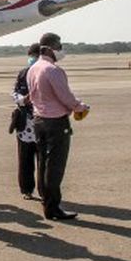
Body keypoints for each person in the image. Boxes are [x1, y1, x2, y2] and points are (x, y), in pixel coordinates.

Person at [26, 32, 88, 221]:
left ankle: (47, 201)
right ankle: (53, 208)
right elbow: (66, 97)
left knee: (43, 163)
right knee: (55, 167)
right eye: (58, 46)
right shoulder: (53, 70)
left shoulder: (33, 68)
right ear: (49, 48)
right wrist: (80, 107)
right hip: (56, 123)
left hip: (39, 121)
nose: (61, 50)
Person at [11, 43, 41, 200]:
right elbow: (14, 93)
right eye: (31, 56)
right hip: (26, 125)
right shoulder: (23, 74)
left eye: (35, 56)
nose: (32, 59)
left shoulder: (46, 73)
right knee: (25, 159)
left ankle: (44, 190)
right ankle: (27, 189)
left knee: (43, 160)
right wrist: (23, 100)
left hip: (42, 122)